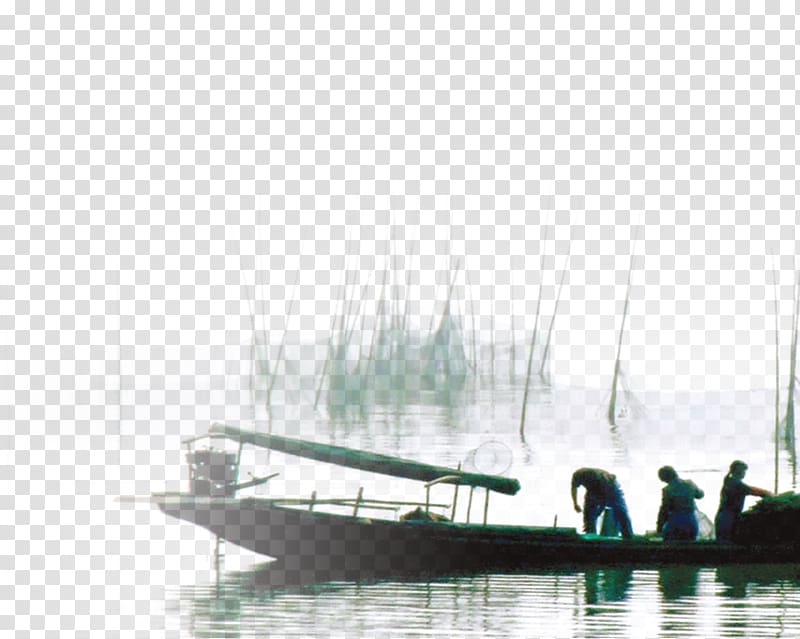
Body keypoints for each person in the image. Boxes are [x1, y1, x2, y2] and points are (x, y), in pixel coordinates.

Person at [714, 460, 772, 542]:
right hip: (728, 518)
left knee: (723, 542)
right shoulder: (736, 484)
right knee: (727, 542)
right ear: (739, 472)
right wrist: (769, 494)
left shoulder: (729, 481)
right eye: (744, 471)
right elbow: (755, 491)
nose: (745, 473)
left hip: (723, 516)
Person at [570, 467, 633, 539]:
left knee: (620, 510)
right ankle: (590, 532)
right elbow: (573, 488)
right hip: (594, 488)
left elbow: (604, 499)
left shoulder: (600, 479)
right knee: (588, 509)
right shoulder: (577, 475)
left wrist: (598, 513)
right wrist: (575, 504)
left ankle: (628, 535)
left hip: (611, 487)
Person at [656, 465, 704, 541]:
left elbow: (664, 510)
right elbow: (700, 495)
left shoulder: (667, 490)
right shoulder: (689, 483)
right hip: (690, 520)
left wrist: (659, 526)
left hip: (676, 521)